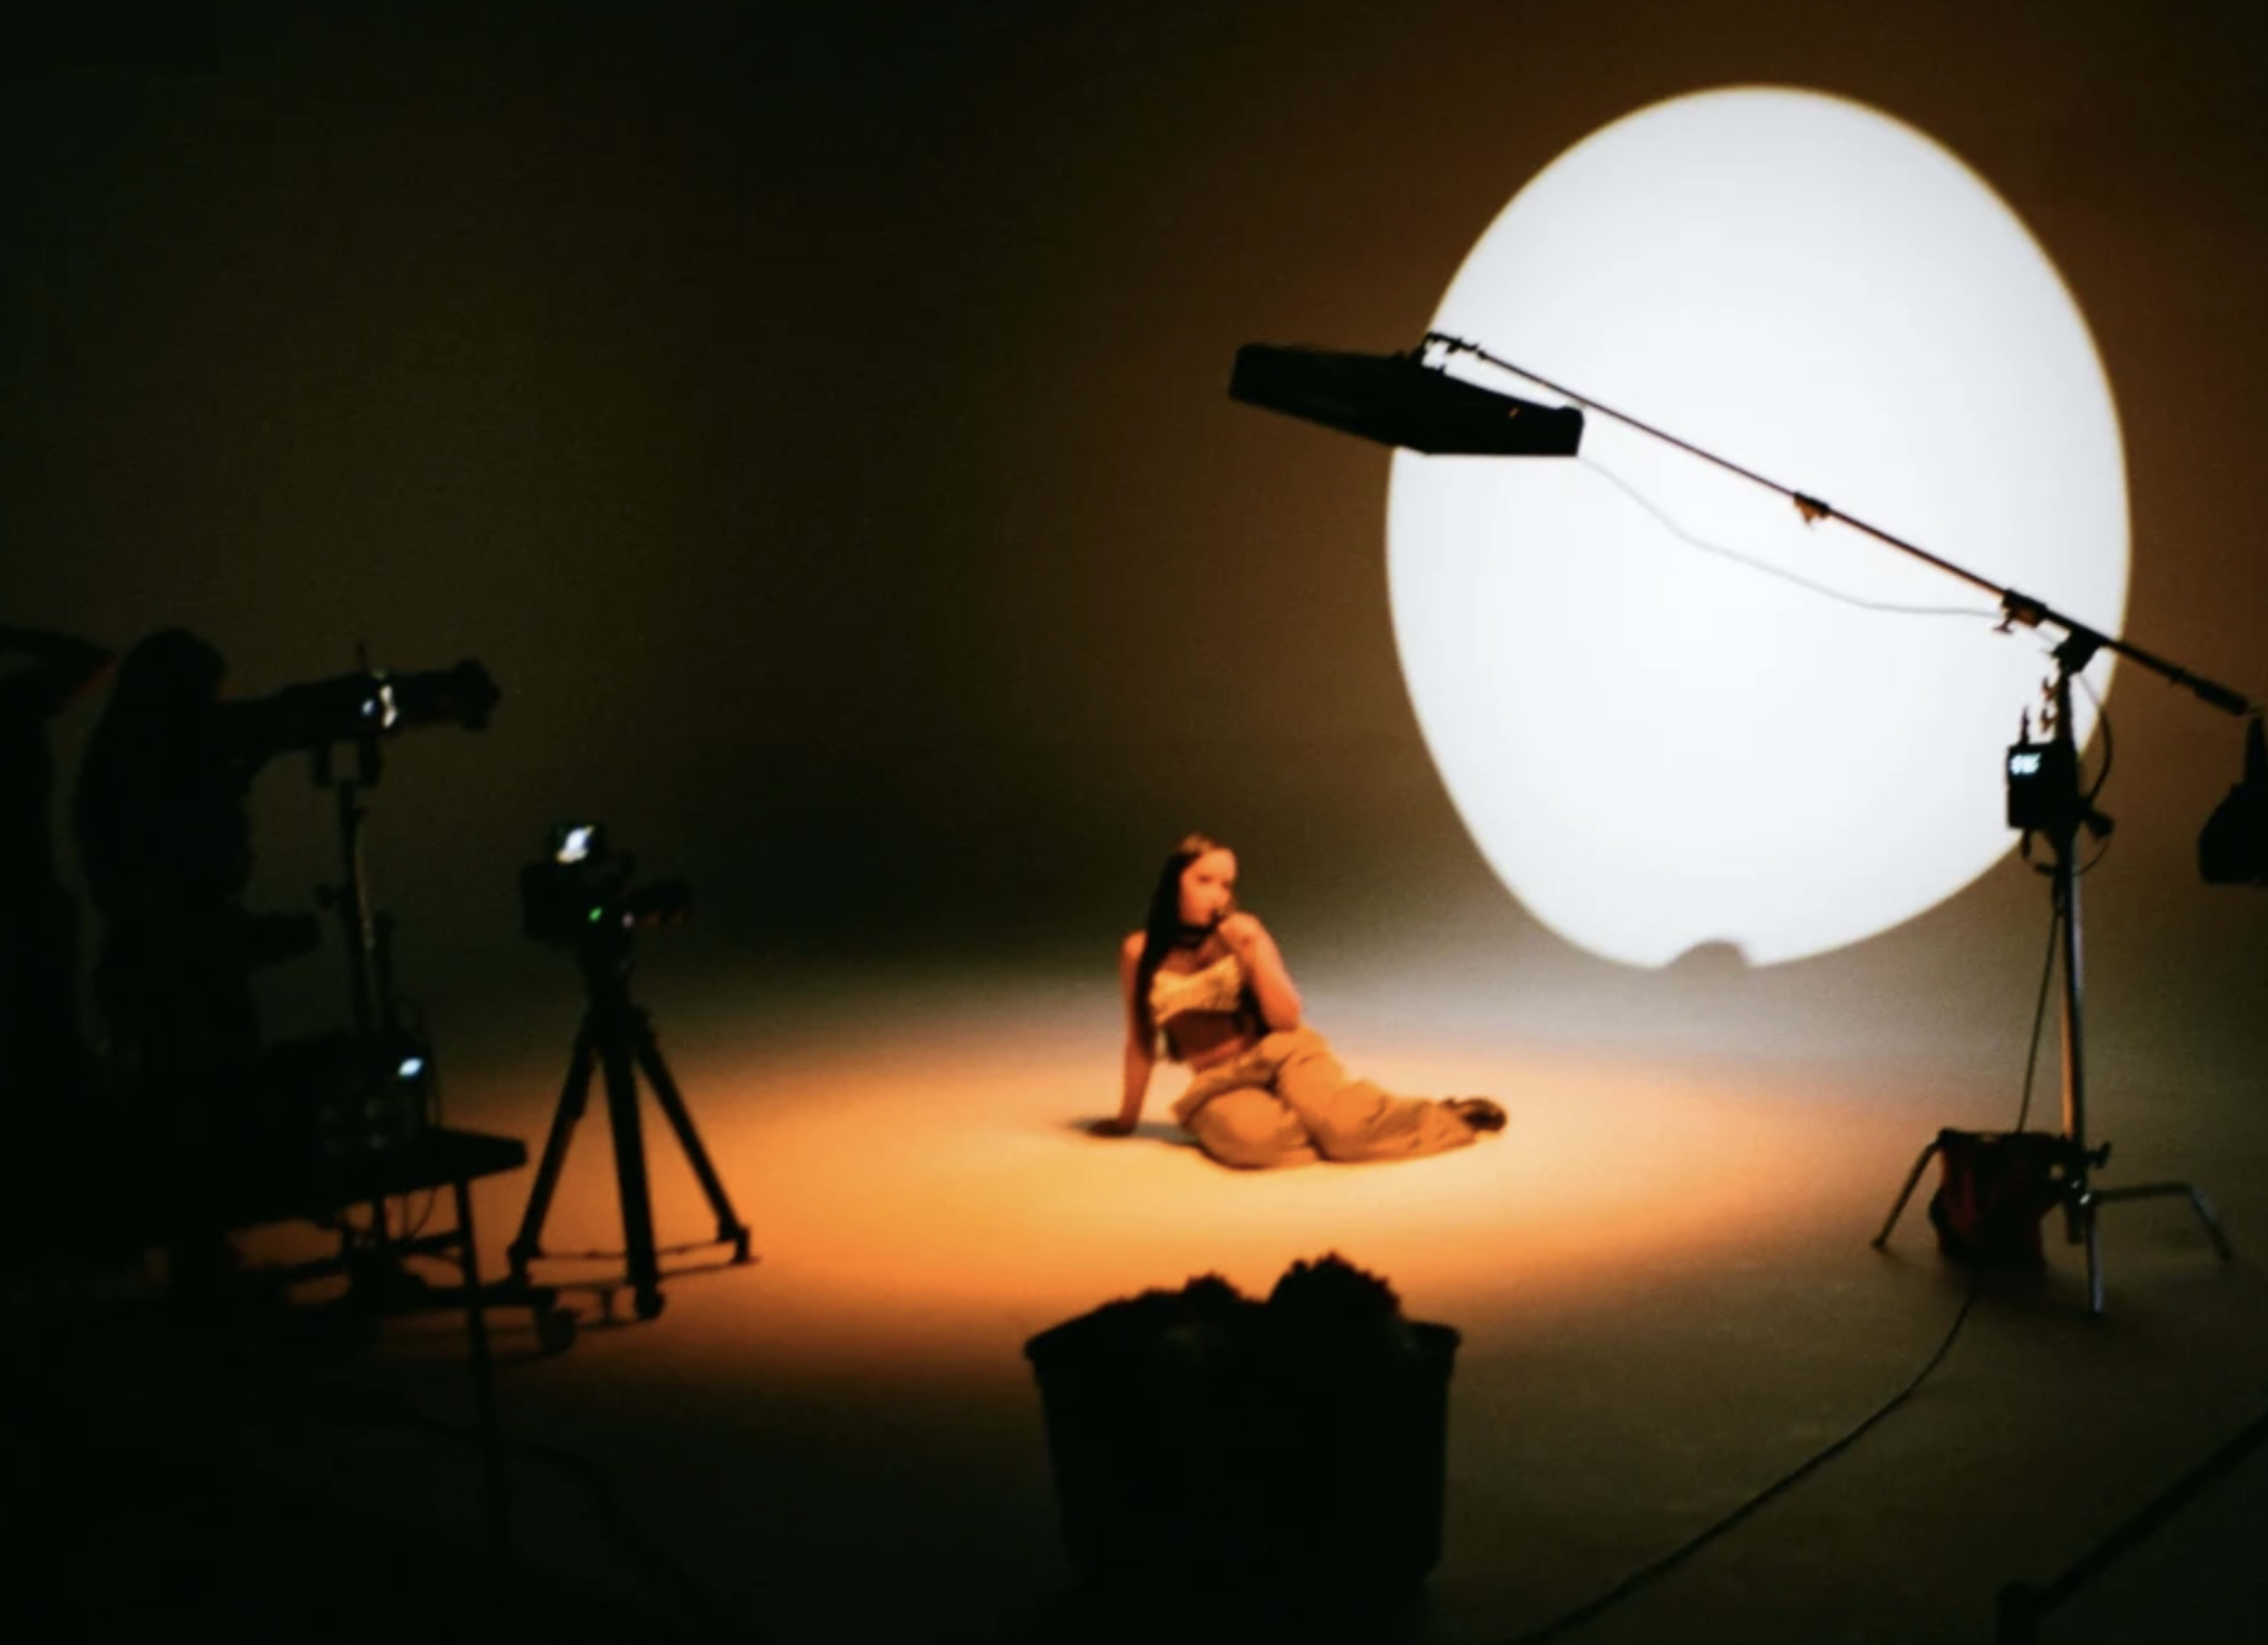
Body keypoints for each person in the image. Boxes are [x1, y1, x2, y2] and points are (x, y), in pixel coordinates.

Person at [1093, 832, 1506, 1169]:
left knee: (1345, 1132)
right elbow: (1140, 1042)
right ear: (1174, 883)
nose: (1218, 895)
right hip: (1217, 1080)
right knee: (1257, 1145)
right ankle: (1339, 1124)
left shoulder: (1243, 932)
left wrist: (1252, 953)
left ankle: (1443, 1115)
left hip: (1281, 1052)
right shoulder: (1138, 952)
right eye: (1204, 881)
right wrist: (1127, 1120)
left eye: (1226, 885)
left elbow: (1286, 1017)